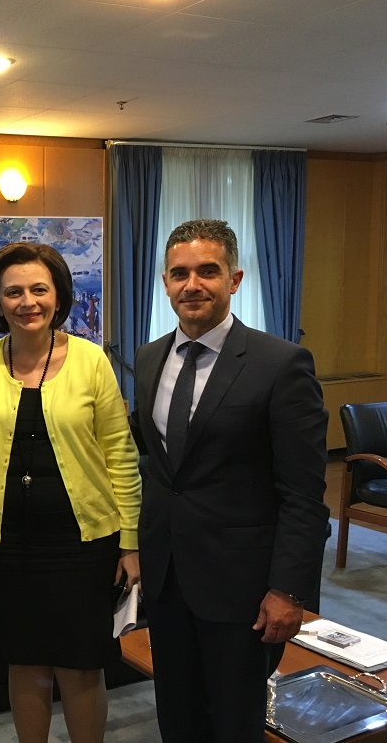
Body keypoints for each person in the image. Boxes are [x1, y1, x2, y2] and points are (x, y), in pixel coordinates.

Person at [132, 219, 328, 742]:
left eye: (208, 271)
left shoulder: (280, 364)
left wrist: (288, 589)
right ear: (165, 282)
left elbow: (304, 494)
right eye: (179, 273)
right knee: (178, 715)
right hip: (167, 578)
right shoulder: (149, 358)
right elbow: (159, 466)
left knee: (234, 723)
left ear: (234, 279)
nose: (192, 284)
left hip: (242, 586)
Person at [0, 242, 141, 743]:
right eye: (13, 292)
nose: (27, 302)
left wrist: (130, 541)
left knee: (81, 664)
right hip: (4, 544)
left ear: (58, 297)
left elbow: (121, 455)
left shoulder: (91, 360)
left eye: (39, 289)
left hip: (82, 544)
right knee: (24, 661)